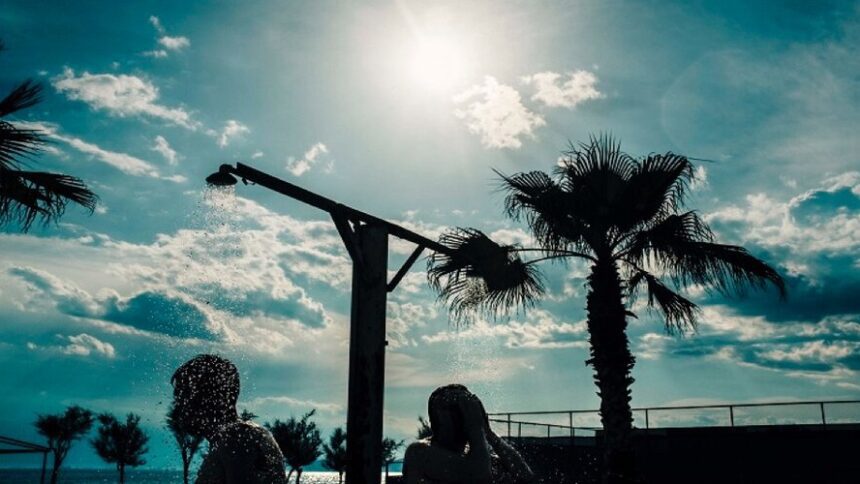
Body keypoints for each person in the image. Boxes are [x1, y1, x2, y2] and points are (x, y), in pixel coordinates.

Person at [171, 354, 288, 484]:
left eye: (183, 395)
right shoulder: (240, 436)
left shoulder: (236, 439)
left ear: (208, 397)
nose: (179, 405)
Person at [403, 384, 535, 484]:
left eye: (464, 408)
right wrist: (475, 429)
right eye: (453, 409)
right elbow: (480, 477)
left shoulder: (475, 455)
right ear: (434, 420)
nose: (462, 414)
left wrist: (489, 433)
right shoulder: (418, 452)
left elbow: (525, 476)